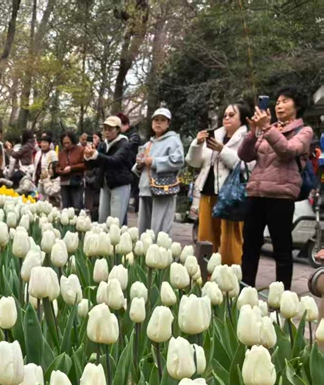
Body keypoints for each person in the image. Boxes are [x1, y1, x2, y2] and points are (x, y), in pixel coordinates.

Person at [238, 87, 314, 289]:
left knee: (282, 249)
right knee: (250, 247)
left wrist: (267, 129)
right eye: (278, 101)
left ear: (297, 105)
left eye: (285, 101)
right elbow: (245, 155)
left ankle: (282, 299)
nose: (279, 105)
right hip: (255, 193)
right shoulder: (268, 129)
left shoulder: (304, 131)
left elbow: (288, 151)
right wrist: (254, 133)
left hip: (281, 197)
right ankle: (245, 293)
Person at [186, 102, 253, 265]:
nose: (227, 118)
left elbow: (247, 165)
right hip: (206, 193)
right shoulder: (214, 136)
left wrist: (222, 150)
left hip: (230, 197)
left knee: (230, 239)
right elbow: (194, 162)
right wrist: (197, 144)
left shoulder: (248, 138)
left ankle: (229, 276)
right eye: (225, 115)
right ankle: (205, 274)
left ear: (243, 119)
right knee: (205, 237)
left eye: (232, 115)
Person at [134, 108, 184, 235]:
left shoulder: (173, 141)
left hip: (163, 189)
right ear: (152, 123)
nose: (158, 123)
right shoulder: (147, 144)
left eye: (163, 120)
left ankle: (160, 254)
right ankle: (143, 255)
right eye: (156, 120)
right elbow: (139, 167)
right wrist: (139, 165)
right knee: (143, 230)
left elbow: (178, 161)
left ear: (168, 124)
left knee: (160, 230)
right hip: (146, 189)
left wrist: (154, 161)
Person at [84, 117, 135, 222]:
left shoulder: (124, 144)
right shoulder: (103, 144)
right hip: (105, 184)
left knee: (115, 221)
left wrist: (96, 155)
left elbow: (115, 161)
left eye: (110, 129)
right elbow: (93, 164)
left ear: (117, 130)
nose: (107, 132)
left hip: (119, 184)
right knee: (102, 219)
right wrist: (88, 156)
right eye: (105, 129)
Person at [116, 112, 142, 221]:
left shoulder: (133, 137)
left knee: (123, 207)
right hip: (121, 173)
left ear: (125, 125)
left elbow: (124, 152)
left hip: (130, 173)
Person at [57, 132, 86, 211]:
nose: (66, 145)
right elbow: (58, 165)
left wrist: (71, 168)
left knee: (77, 206)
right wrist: (58, 170)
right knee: (66, 207)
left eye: (68, 143)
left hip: (76, 182)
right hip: (64, 183)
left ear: (72, 141)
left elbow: (85, 164)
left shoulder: (80, 150)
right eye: (64, 143)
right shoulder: (61, 153)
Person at [34, 134, 60, 204]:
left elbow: (55, 167)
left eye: (46, 143)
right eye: (42, 142)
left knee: (47, 201)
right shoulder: (38, 153)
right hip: (39, 180)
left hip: (48, 181)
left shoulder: (52, 153)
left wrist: (50, 178)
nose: (43, 144)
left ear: (49, 144)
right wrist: (33, 179)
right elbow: (35, 167)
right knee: (39, 199)